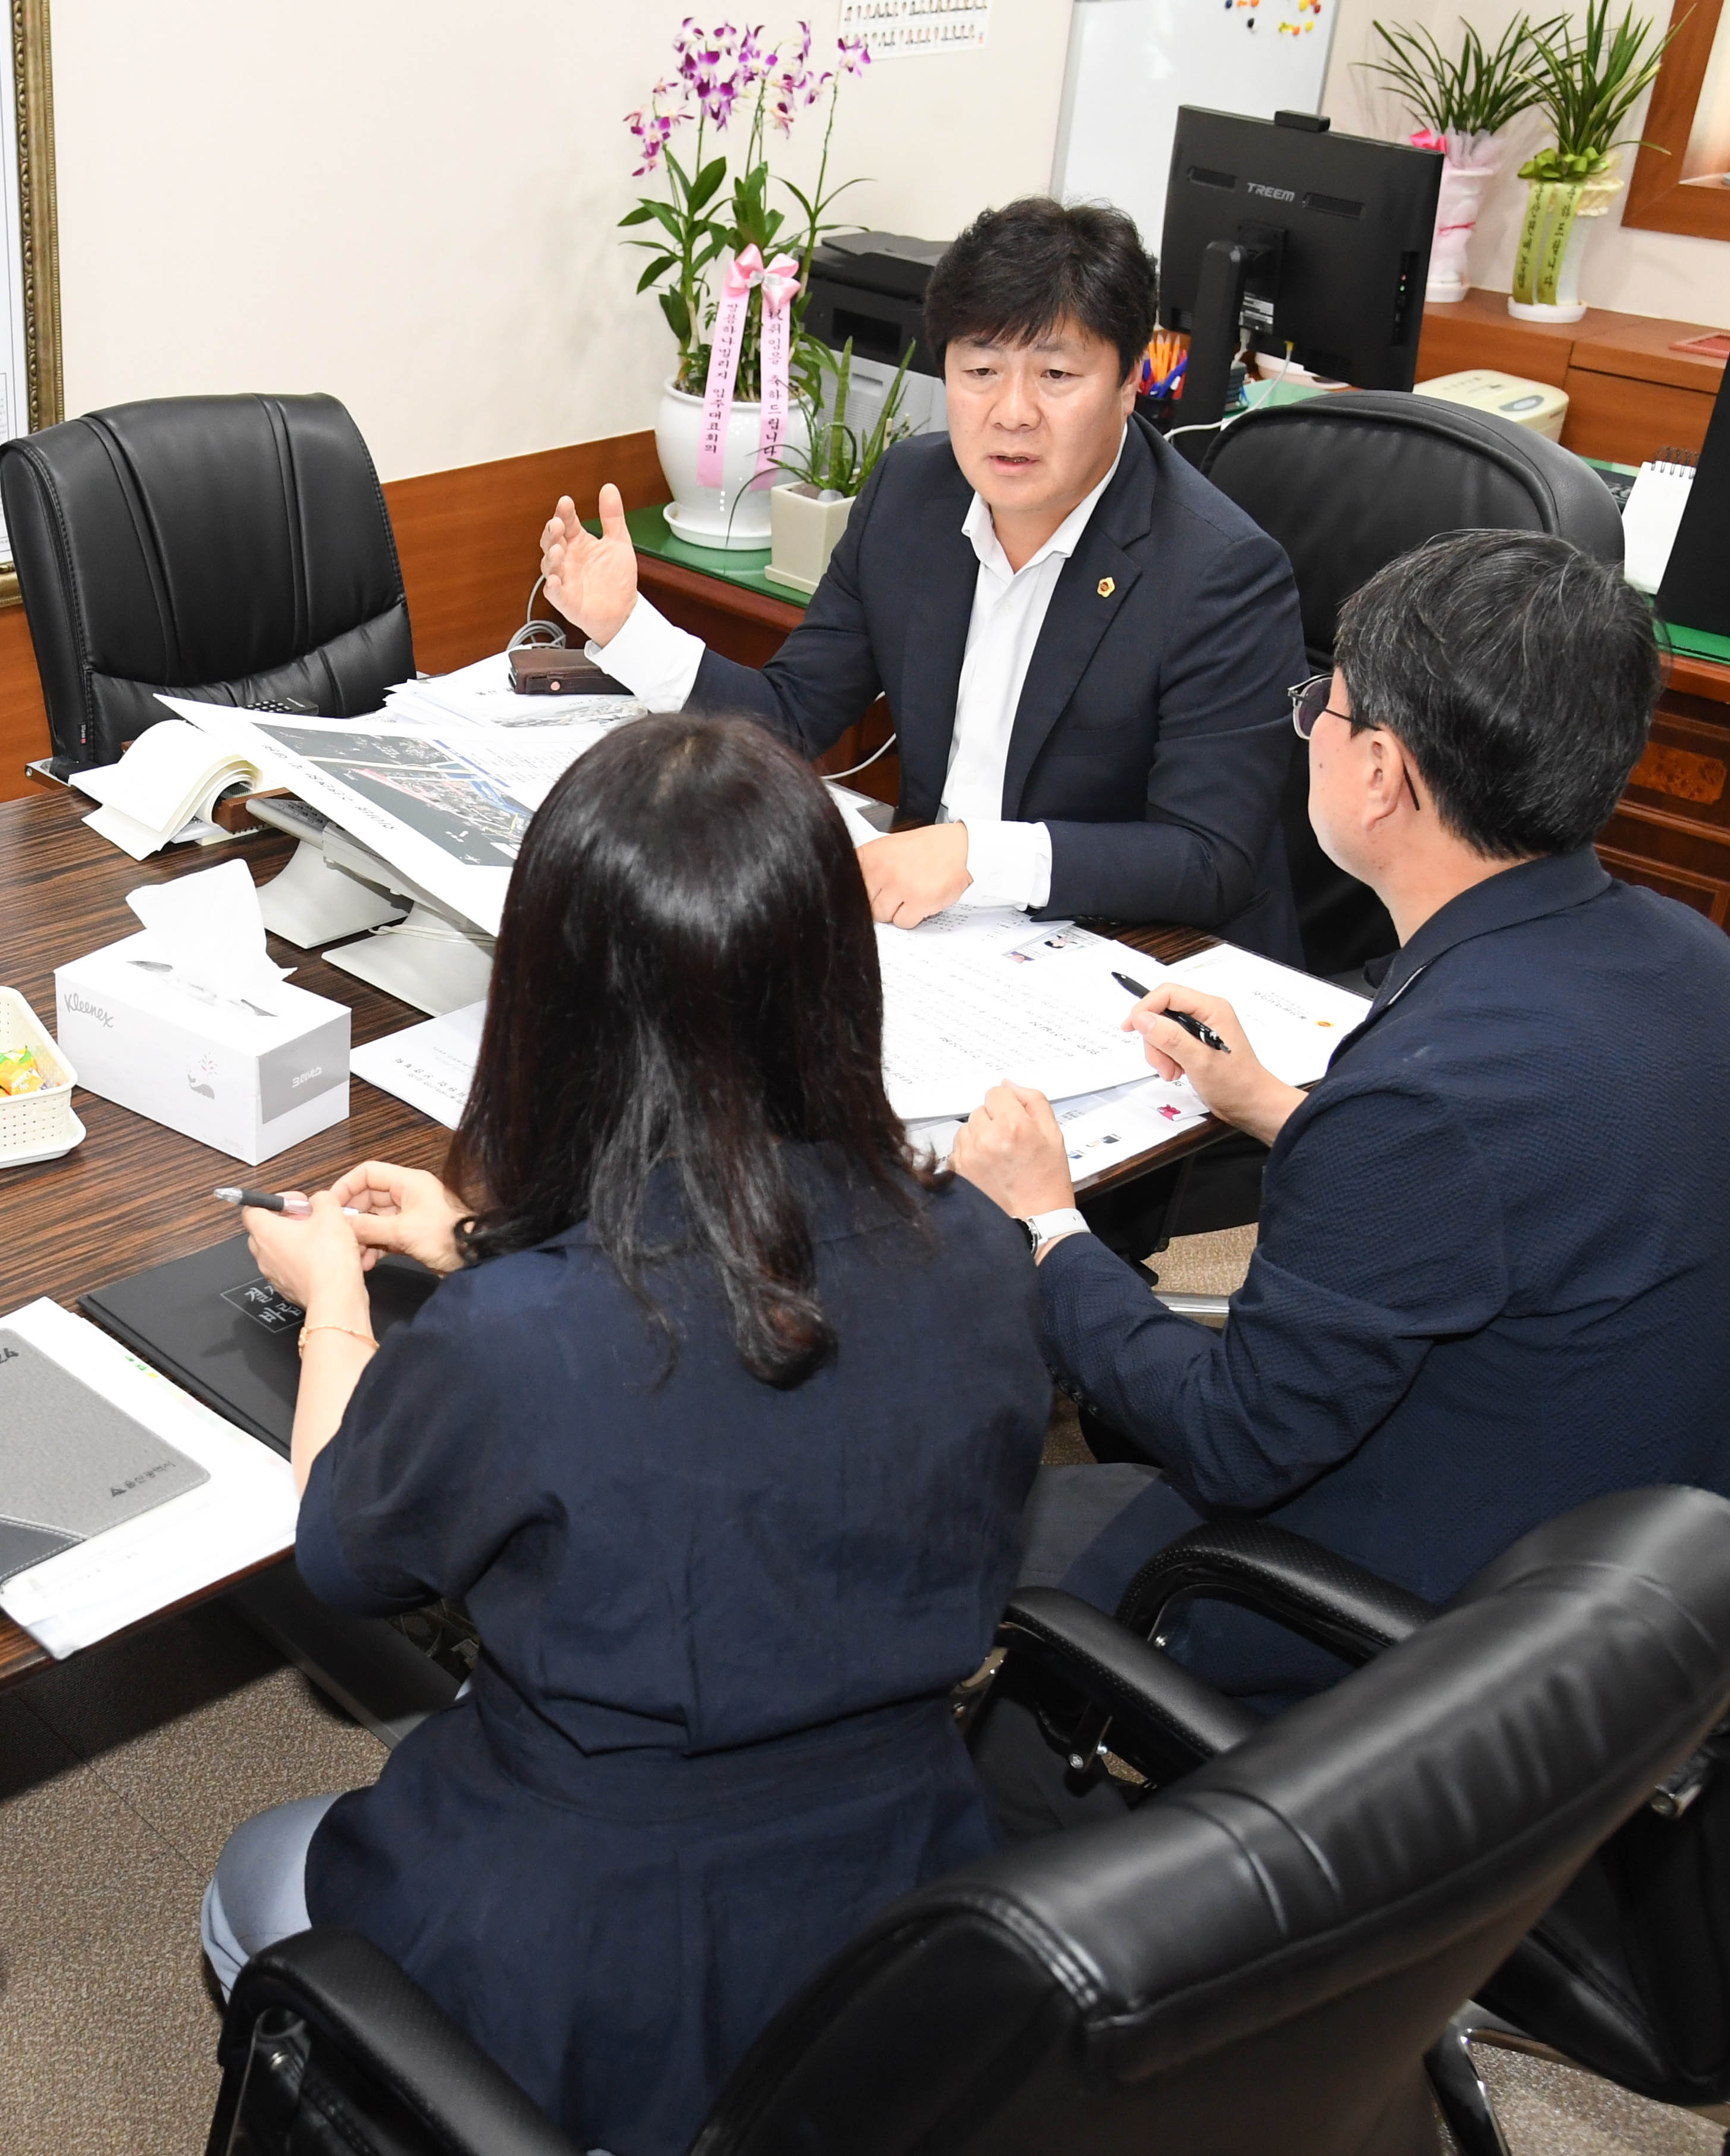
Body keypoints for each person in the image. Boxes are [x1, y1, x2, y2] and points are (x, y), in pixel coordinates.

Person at [201, 716, 1047, 2156]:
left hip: (589, 1961)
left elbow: (344, 1550)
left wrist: (341, 1305)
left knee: (251, 1877)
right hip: (906, 1904)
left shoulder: (516, 1341)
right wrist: (485, 1250)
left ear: (551, 999)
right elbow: (747, 1325)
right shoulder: (980, 1245)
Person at [951, 531, 1730, 1815]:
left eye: (1322, 707)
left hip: (1424, 1642)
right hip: (1634, 1591)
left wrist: (1050, 1221)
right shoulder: (1688, 955)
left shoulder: (1422, 1100)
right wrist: (1283, 1111)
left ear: (1386, 773)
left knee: (996, 1543)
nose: (1311, 731)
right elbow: (1524, 1194)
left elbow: (1237, 1442)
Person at [536, 196, 1305, 958]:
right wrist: (625, 627)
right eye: (979, 370)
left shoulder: (1218, 572)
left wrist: (974, 856)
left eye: (1056, 375)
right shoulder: (911, 494)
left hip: (1133, 965)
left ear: (1128, 382)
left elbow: (1208, 860)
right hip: (934, 942)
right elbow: (791, 715)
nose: (1012, 412)